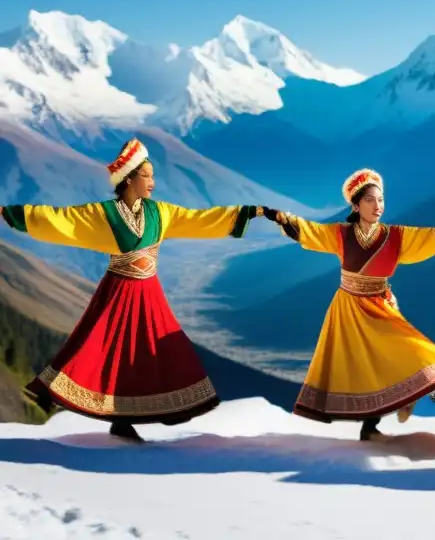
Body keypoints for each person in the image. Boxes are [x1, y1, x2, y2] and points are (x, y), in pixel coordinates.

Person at [0, 138, 262, 442]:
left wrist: (245, 212)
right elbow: (60, 219)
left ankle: (166, 408)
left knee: (159, 351)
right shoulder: (104, 215)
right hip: (118, 292)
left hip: (149, 293)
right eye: (146, 176)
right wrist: (10, 213)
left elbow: (198, 219)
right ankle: (117, 418)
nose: (152, 182)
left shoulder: (161, 213)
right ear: (128, 180)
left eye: (151, 175)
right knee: (108, 352)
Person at [261, 167, 435, 442]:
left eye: (381, 200)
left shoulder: (396, 236)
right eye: (370, 200)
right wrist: (280, 217)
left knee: (412, 349)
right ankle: (370, 426)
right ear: (356, 205)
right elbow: (309, 231)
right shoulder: (341, 234)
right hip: (349, 308)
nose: (378, 206)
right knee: (365, 366)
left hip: (380, 306)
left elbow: (432, 236)